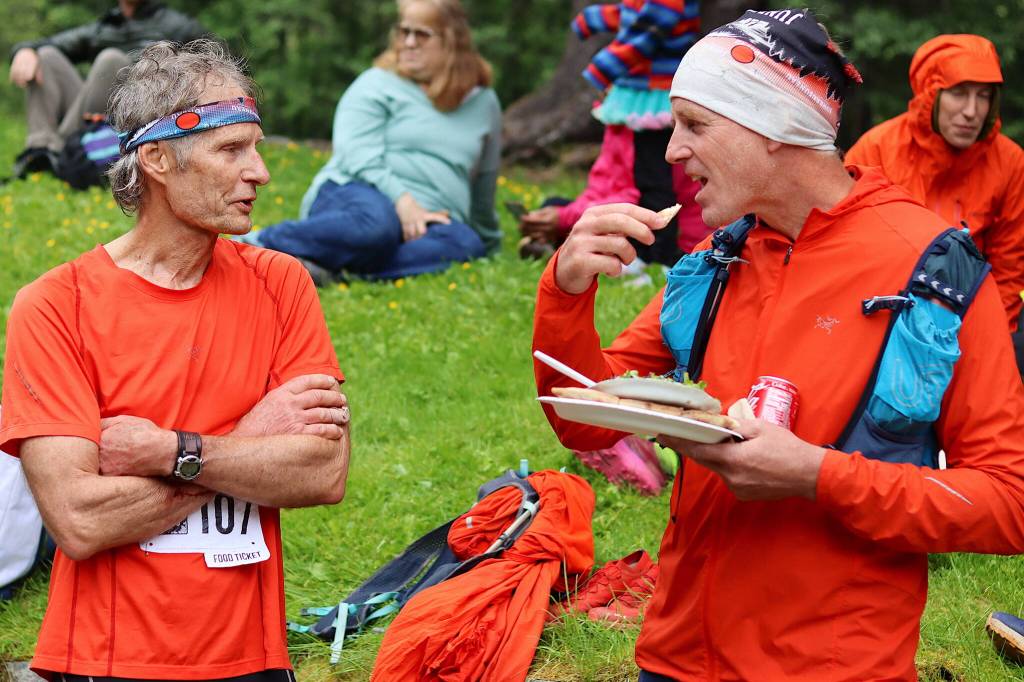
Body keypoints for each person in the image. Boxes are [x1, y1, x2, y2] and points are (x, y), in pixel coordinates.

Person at [532, 9, 1024, 680]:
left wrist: (818, 477)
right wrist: (564, 292)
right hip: (674, 656)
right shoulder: (717, 257)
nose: (672, 150)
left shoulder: (936, 272)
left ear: (774, 128)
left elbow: (1007, 503)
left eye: (695, 125)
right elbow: (580, 420)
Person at [0, 40, 350, 681]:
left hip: (251, 658)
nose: (260, 172)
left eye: (257, 146)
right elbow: (78, 519)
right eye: (231, 150)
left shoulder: (282, 283)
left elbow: (322, 472)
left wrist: (171, 451)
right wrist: (247, 445)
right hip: (102, 658)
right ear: (157, 159)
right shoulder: (55, 306)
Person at [241, 0, 501, 283]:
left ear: (453, 41)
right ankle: (258, 243)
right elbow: (356, 153)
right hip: (357, 194)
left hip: (430, 219)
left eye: (422, 34)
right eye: (404, 32)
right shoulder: (377, 83)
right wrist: (403, 202)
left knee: (465, 243)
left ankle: (334, 270)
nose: (409, 43)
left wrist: (488, 240)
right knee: (377, 227)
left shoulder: (483, 102)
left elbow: (484, 181)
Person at [846, 35, 1024, 333]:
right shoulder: (875, 151)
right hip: (882, 321)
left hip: (970, 324)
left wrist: (991, 337)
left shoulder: (1010, 162)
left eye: (983, 96)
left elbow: (1009, 269)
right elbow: (845, 251)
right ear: (931, 94)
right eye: (959, 92)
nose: (971, 111)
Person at [518, 0, 710, 265]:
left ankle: (650, 256)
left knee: (652, 182)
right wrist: (595, 19)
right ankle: (559, 241)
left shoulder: (643, 120)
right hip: (639, 87)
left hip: (656, 88)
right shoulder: (624, 115)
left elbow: (651, 28)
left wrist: (605, 68)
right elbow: (632, 14)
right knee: (560, 201)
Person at [7, 0, 206, 179]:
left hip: (136, 118)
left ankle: (61, 150)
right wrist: (24, 50)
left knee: (111, 60)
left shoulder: (180, 26)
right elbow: (50, 43)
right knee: (45, 56)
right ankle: (41, 148)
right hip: (92, 113)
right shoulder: (106, 26)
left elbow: (216, 68)